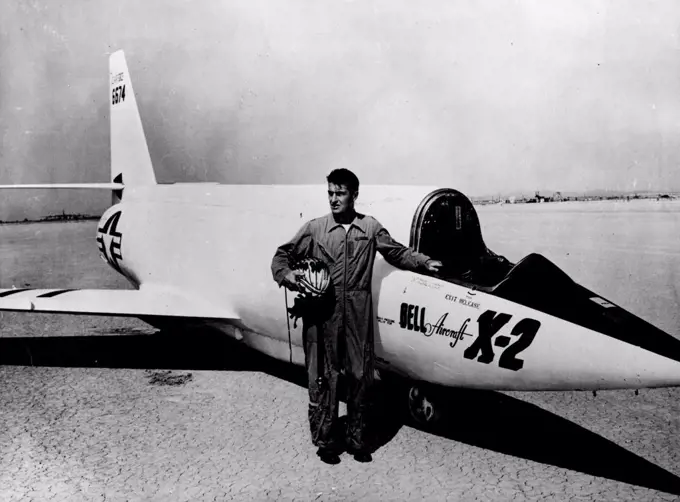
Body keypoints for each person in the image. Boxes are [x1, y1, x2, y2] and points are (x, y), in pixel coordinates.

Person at [271, 169, 442, 465]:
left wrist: (424, 262)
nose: (333, 199)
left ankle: (357, 439)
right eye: (330, 193)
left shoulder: (370, 227)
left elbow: (396, 252)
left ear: (354, 195)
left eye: (340, 193)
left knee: (361, 377)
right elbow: (281, 256)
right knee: (325, 377)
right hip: (322, 313)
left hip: (358, 312)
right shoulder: (315, 228)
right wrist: (290, 277)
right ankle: (325, 441)